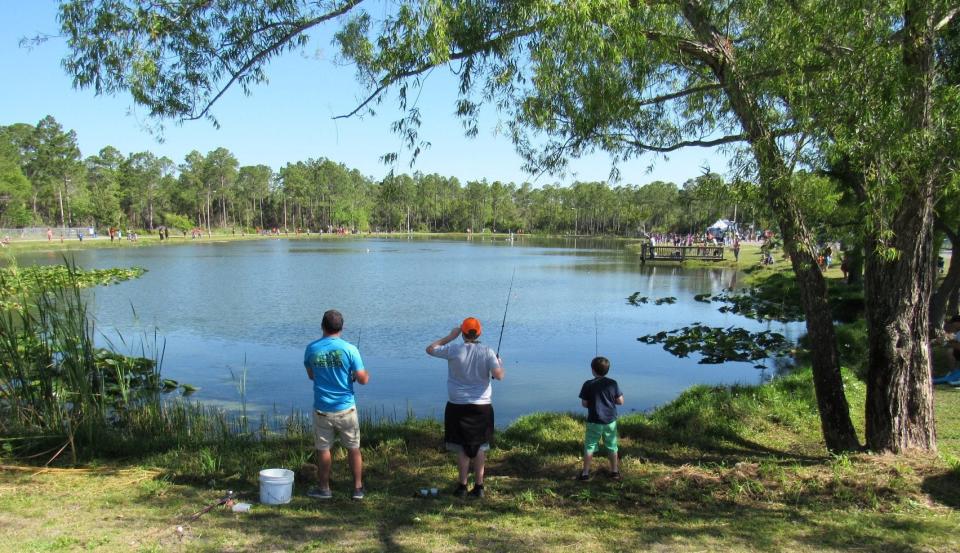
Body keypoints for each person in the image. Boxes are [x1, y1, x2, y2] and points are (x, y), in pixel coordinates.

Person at [426, 317, 505, 498]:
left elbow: (430, 349)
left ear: (462, 333)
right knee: (480, 447)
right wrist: (500, 363)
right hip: (482, 407)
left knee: (462, 448)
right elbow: (499, 376)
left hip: (457, 406)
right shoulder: (488, 351)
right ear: (479, 333)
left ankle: (462, 486)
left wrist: (449, 336)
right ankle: (479, 487)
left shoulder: (454, 349)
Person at [303, 309, 370, 500]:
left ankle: (324, 488)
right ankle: (357, 488)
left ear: (322, 326)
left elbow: (311, 375)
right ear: (342, 327)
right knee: (353, 448)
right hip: (346, 409)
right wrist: (363, 375)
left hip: (322, 408)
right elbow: (363, 379)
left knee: (323, 449)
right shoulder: (350, 349)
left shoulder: (312, 348)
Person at [577, 356, 624, 481]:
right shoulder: (612, 383)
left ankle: (585, 473)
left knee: (590, 445)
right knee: (612, 446)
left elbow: (584, 404)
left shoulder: (587, 384)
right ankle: (614, 472)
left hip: (594, 421)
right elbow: (620, 401)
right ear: (607, 370)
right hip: (610, 421)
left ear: (592, 370)